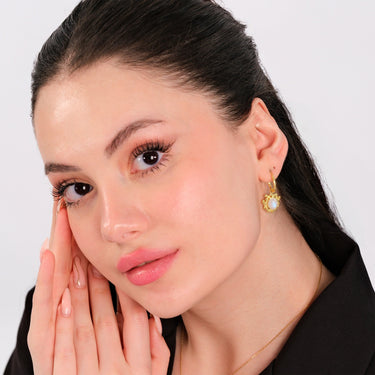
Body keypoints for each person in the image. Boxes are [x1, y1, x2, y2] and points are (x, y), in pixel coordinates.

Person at [4, 0, 375, 374]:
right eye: (78, 188)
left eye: (149, 156)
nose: (113, 226)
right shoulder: (69, 343)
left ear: (261, 143)